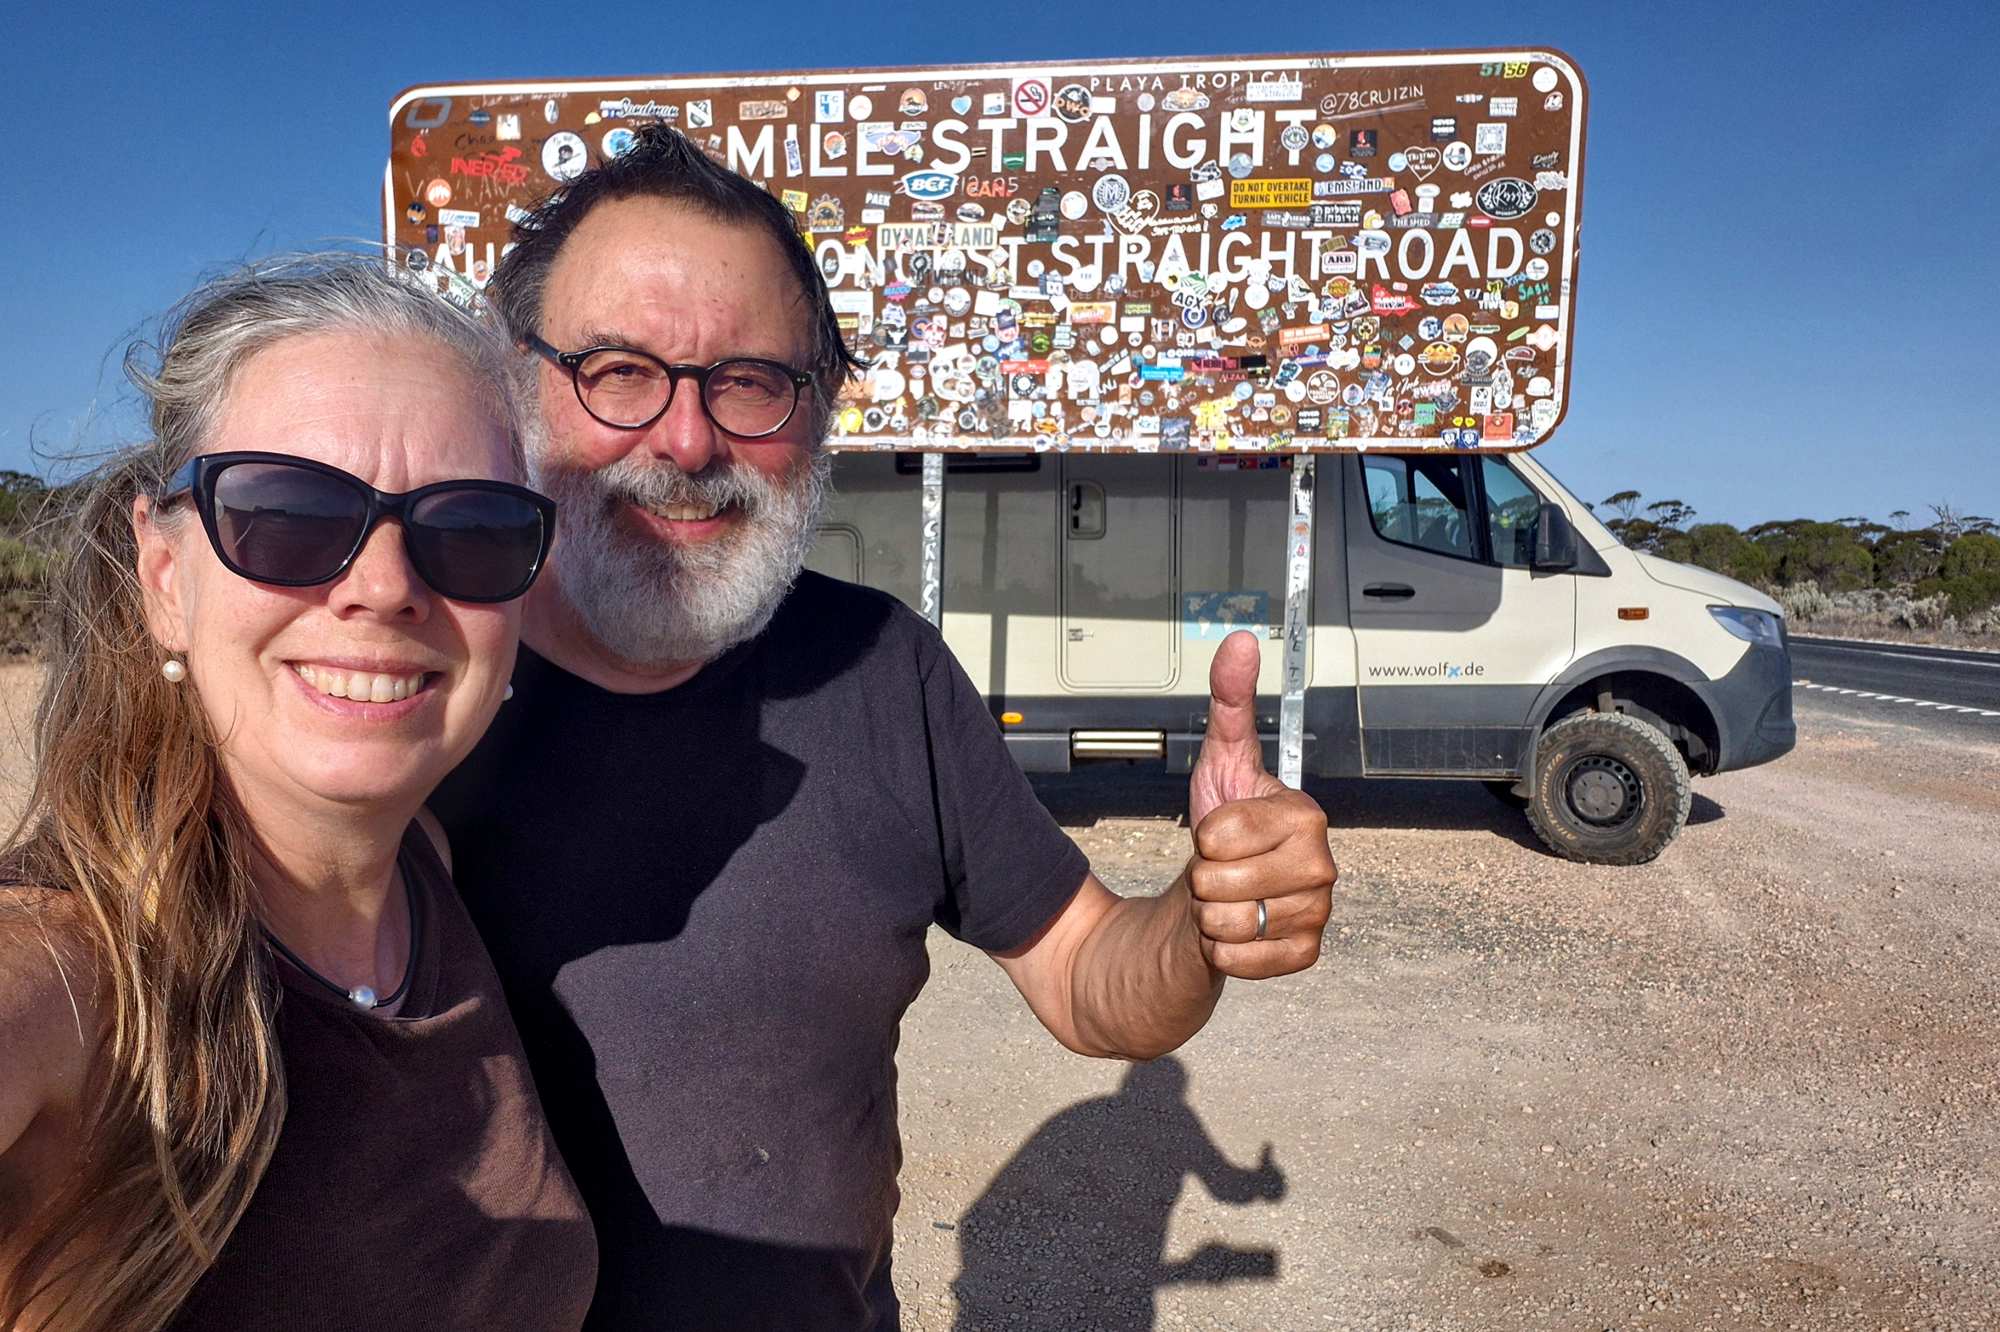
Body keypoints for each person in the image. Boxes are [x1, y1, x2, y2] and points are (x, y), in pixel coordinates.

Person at [428, 124, 1337, 1330]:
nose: (687, 441)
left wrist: (1201, 915)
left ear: (818, 415)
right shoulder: (411, 684)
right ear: (516, 381)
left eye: (750, 381)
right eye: (619, 371)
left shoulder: (879, 667)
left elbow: (1087, 981)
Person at [0, 258, 596, 1331]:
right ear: (164, 577)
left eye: (471, 530)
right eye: (286, 513)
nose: (385, 586)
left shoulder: (426, 867)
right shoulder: (71, 975)